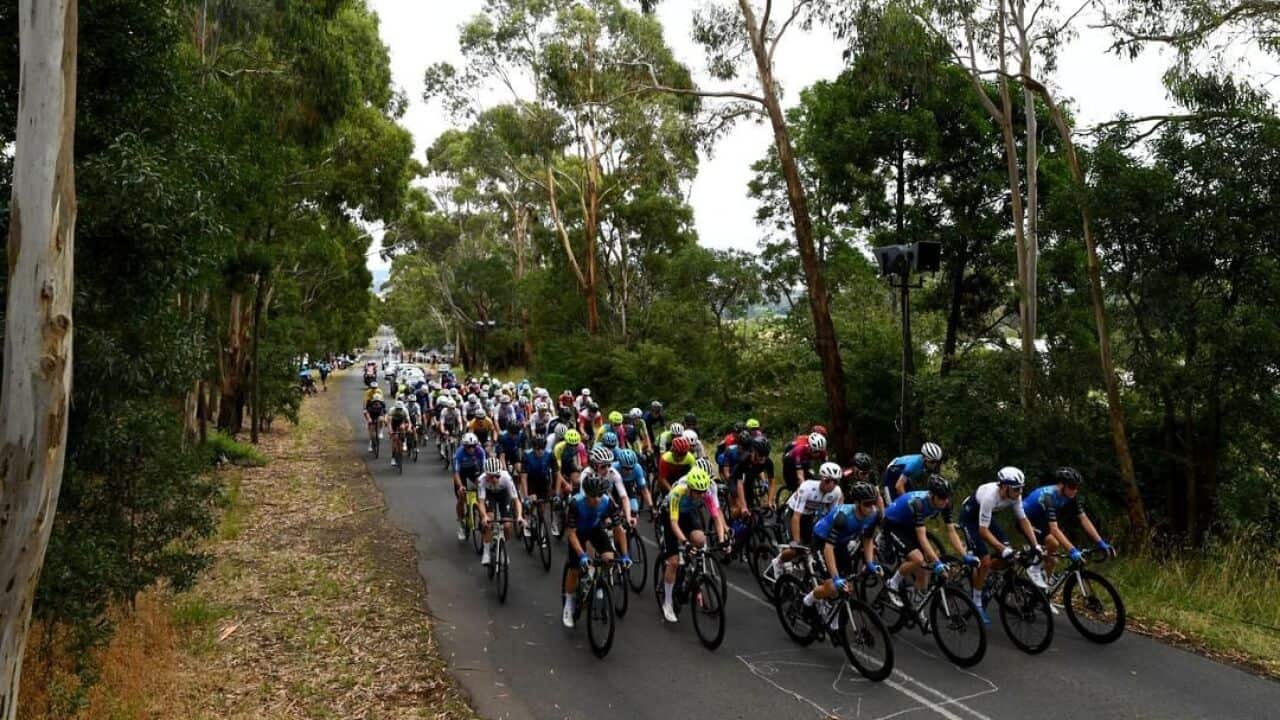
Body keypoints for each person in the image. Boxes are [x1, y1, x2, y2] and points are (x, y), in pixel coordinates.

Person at [957, 466, 1043, 623]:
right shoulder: (990, 496)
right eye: (1016, 489)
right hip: (970, 519)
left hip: (986, 518)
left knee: (1008, 555)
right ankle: (977, 602)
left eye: (1021, 488)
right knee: (985, 560)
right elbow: (982, 532)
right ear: (1004, 486)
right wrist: (1001, 549)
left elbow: (1023, 520)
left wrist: (1035, 545)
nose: (1019, 492)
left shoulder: (1014, 496)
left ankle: (988, 574)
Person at [881, 474, 972, 609]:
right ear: (931, 495)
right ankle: (892, 583)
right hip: (892, 523)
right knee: (917, 559)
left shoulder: (946, 502)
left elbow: (951, 532)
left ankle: (917, 607)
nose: (945, 501)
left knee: (925, 569)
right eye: (941, 498)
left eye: (947, 497)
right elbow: (922, 537)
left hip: (909, 524)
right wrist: (938, 563)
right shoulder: (918, 503)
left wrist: (965, 556)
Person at [802, 483, 883, 624]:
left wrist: (869, 562)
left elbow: (868, 538)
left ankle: (834, 623)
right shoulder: (843, 517)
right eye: (867, 504)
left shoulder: (873, 514)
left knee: (848, 587)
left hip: (841, 543)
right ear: (857, 503)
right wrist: (835, 577)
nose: (871, 507)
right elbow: (828, 549)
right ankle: (809, 599)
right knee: (833, 587)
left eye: (873, 503)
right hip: (822, 540)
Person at [1022, 467, 1116, 588]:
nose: (1075, 490)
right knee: (1053, 543)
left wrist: (1101, 543)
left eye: (1077, 487)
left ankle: (1042, 589)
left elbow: (1084, 519)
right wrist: (1072, 550)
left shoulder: (1071, 496)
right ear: (1061, 485)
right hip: (1025, 520)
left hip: (1040, 520)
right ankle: (1034, 568)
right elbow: (1054, 529)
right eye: (1072, 487)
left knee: (1052, 560)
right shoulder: (1048, 497)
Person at [659, 466, 726, 623]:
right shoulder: (678, 492)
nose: (701, 496)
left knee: (700, 539)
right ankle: (667, 603)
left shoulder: (706, 493)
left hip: (688, 513)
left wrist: (722, 540)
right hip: (670, 514)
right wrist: (684, 542)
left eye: (703, 492)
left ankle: (690, 569)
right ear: (689, 488)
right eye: (697, 492)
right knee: (674, 561)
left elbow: (716, 518)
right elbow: (674, 524)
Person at [562, 473, 617, 628]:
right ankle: (568, 604)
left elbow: (618, 528)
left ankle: (599, 584)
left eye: (600, 495)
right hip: (577, 532)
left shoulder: (606, 502)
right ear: (586, 494)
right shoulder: (575, 503)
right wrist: (582, 555)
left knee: (609, 558)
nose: (597, 499)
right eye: (594, 496)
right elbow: (571, 533)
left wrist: (625, 555)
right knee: (574, 569)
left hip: (594, 529)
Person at [770, 461, 844, 577]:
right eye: (828, 480)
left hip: (809, 515)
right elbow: (796, 516)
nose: (832, 485)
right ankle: (778, 562)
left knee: (812, 545)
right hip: (792, 512)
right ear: (822, 478)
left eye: (836, 481)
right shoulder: (807, 487)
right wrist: (796, 541)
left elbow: (832, 516)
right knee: (795, 548)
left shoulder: (836, 492)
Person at [579, 446, 634, 568]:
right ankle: (590, 569)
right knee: (590, 531)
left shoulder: (613, 473)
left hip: (606, 498)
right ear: (593, 466)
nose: (607, 469)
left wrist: (628, 516)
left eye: (609, 465)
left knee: (617, 522)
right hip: (590, 504)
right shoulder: (586, 475)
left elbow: (624, 497)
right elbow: (586, 502)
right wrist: (602, 518)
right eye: (603, 466)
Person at [478, 458, 524, 566]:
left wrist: (520, 516)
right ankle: (486, 551)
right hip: (490, 495)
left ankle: (503, 549)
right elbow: (481, 502)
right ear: (486, 475)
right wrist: (484, 516)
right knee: (489, 519)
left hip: (503, 495)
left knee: (507, 525)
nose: (494, 479)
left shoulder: (506, 478)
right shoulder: (482, 480)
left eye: (497, 476)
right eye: (491, 476)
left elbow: (516, 500)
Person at [452, 433, 487, 541]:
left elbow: (485, 469)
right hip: (461, 474)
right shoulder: (459, 454)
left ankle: (482, 515)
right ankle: (461, 524)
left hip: (474, 471)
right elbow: (456, 473)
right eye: (469, 447)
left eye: (474, 446)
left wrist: (483, 484)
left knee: (481, 492)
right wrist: (461, 486)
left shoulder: (480, 451)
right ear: (464, 446)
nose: (472, 449)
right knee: (462, 497)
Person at [519, 434, 555, 537]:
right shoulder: (526, 455)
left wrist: (554, 492)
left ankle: (542, 531)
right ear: (533, 447)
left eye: (542, 448)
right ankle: (528, 519)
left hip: (543, 481)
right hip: (531, 481)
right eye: (537, 449)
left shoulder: (549, 455)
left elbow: (556, 474)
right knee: (531, 502)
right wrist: (526, 497)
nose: (540, 451)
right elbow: (523, 478)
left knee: (542, 508)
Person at [728, 436, 774, 516]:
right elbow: (740, 484)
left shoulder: (768, 462)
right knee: (741, 508)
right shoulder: (744, 460)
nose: (762, 460)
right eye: (760, 457)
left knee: (751, 507)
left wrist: (770, 501)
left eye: (765, 456)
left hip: (748, 480)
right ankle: (733, 517)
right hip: (736, 480)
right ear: (753, 451)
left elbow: (771, 483)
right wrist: (743, 506)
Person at [779, 431, 827, 498]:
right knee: (795, 485)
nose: (817, 454)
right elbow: (800, 476)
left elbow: (826, 468)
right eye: (815, 451)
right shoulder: (800, 450)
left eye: (819, 452)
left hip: (804, 461)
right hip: (790, 462)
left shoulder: (822, 452)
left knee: (812, 477)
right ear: (809, 447)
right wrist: (803, 487)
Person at [614, 448, 653, 517]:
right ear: (620, 465)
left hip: (628, 486)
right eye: (626, 468)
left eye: (632, 468)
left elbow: (644, 490)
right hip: (614, 488)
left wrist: (651, 507)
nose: (629, 471)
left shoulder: (638, 468)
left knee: (634, 510)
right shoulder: (613, 468)